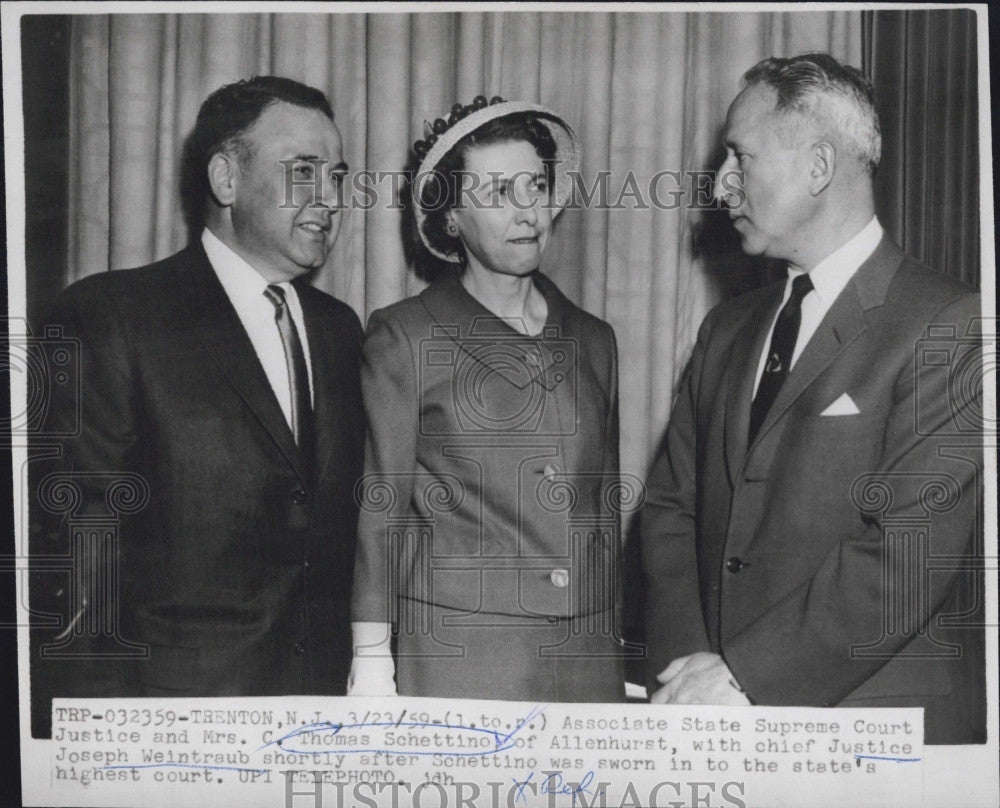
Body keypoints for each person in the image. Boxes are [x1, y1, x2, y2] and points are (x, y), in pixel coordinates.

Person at [640, 53, 983, 743]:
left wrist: (742, 676)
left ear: (819, 167)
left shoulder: (951, 323)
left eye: (741, 156)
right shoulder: (726, 328)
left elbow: (907, 554)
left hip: (863, 723)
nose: (721, 183)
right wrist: (692, 676)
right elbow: (669, 509)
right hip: (704, 710)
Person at [29, 76, 364, 734]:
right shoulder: (112, 315)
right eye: (303, 171)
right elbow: (78, 559)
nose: (329, 199)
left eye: (338, 176)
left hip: (319, 720)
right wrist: (105, 744)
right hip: (173, 724)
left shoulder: (339, 329)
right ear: (225, 179)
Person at [349, 97, 626, 701]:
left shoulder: (594, 338)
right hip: (460, 653)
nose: (528, 210)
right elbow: (381, 509)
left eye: (535, 185)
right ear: (451, 217)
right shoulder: (406, 335)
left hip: (587, 654)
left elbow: (602, 514)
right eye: (500, 192)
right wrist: (371, 658)